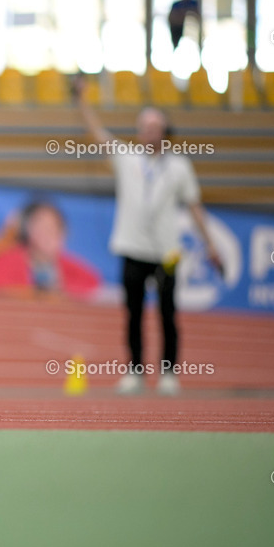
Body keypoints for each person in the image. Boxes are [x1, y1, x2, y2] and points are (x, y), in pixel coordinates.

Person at [74, 78, 221, 396]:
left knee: (168, 314)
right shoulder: (127, 158)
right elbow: (97, 133)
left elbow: (194, 206)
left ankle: (169, 373)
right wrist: (81, 101)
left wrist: (210, 244)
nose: (149, 131)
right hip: (131, 247)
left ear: (166, 131)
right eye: (145, 126)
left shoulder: (180, 166)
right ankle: (135, 371)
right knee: (134, 314)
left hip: (167, 251)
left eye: (155, 126)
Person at [0, 200, 100, 299]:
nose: (48, 234)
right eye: (42, 228)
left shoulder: (72, 268)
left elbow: (93, 287)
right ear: (27, 231)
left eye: (54, 228)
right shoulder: (7, 262)